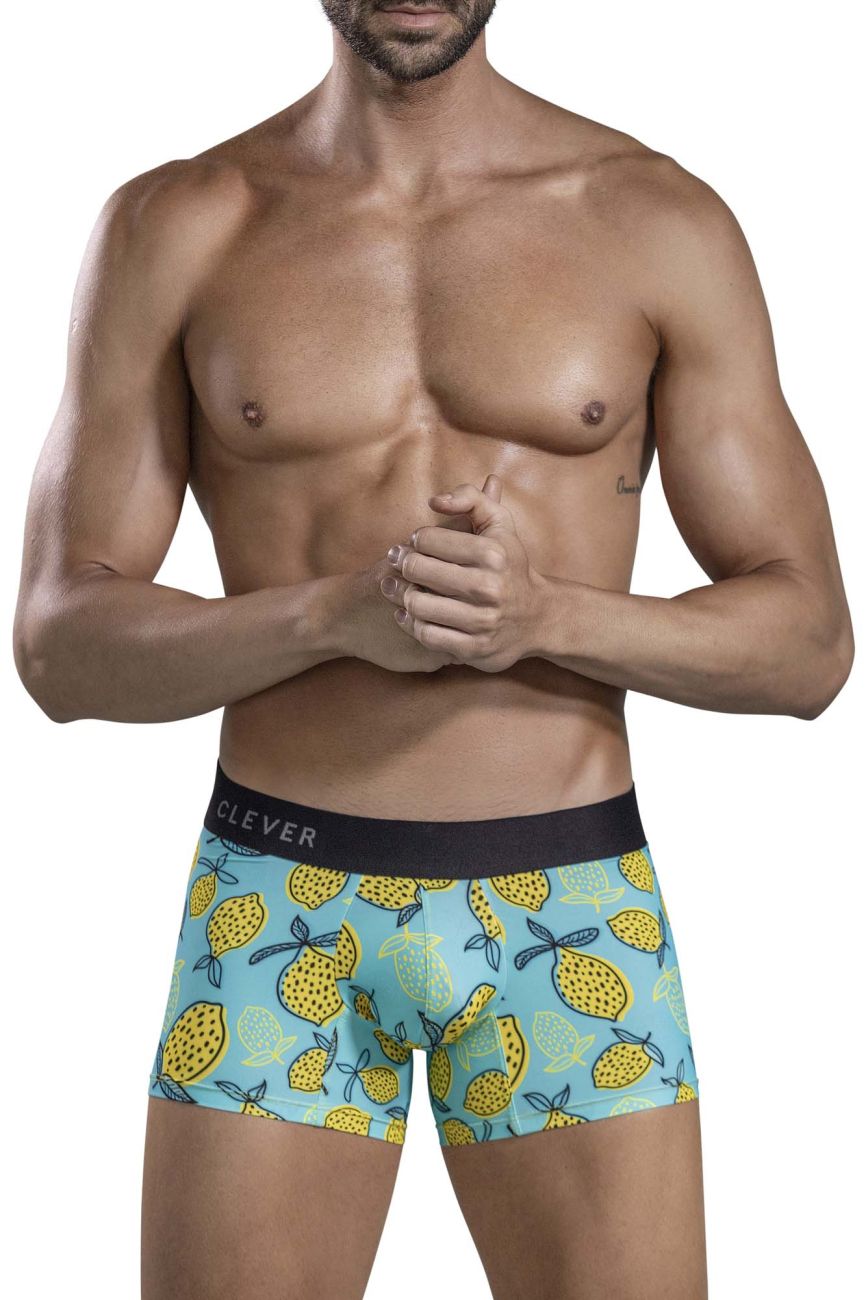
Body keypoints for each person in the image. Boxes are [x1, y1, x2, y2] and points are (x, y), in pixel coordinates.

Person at [12, 2, 854, 1297]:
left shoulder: (652, 222)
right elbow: (58, 647)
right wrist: (325, 618)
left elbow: (808, 646)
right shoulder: (179, 225)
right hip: (278, 900)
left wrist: (551, 618)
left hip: (567, 897)